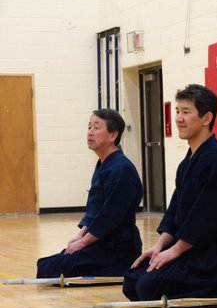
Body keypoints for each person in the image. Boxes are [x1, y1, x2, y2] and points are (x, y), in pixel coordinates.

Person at [123, 84, 217, 302]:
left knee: (146, 286)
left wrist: (176, 251)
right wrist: (159, 247)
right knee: (132, 280)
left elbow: (206, 218)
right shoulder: (186, 162)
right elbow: (175, 208)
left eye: (186, 112)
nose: (179, 118)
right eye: (177, 111)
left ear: (206, 118)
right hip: (188, 249)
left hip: (212, 255)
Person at [37, 109, 143, 279]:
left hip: (117, 248)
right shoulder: (104, 164)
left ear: (113, 135)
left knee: (49, 268)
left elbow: (110, 216)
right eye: (89, 127)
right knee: (47, 263)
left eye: (96, 127)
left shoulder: (121, 169)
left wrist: (83, 243)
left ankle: (119, 269)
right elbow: (96, 210)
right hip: (102, 242)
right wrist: (80, 236)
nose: (90, 132)